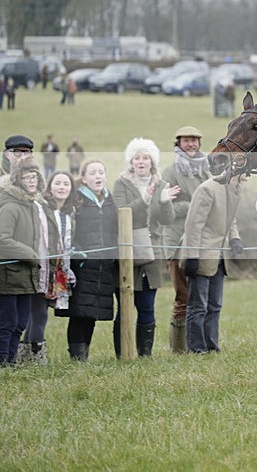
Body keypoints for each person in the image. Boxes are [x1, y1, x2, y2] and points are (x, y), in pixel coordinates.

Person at [112, 138, 179, 357]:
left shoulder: (160, 183)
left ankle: (144, 355)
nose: (141, 162)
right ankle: (123, 353)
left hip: (153, 253)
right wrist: (145, 197)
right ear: (131, 161)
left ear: (152, 161)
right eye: (137, 157)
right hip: (129, 251)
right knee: (125, 306)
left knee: (147, 306)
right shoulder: (121, 184)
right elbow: (122, 213)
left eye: (145, 157)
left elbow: (167, 220)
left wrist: (165, 201)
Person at [55, 159, 118, 361]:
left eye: (101, 172)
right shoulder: (77, 201)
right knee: (79, 312)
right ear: (84, 178)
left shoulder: (110, 201)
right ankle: (77, 358)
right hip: (82, 265)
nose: (98, 176)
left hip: (104, 266)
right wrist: (78, 254)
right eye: (93, 173)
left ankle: (84, 354)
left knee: (91, 313)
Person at [0, 157, 57, 366]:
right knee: (7, 323)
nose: (31, 181)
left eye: (34, 176)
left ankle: (11, 362)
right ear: (17, 179)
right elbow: (2, 240)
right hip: (8, 277)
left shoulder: (32, 205)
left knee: (21, 323)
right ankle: (2, 363)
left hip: (27, 276)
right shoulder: (10, 206)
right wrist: (31, 254)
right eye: (26, 177)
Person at [18, 171, 77, 364]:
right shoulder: (41, 209)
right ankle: (33, 357)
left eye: (66, 184)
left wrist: (67, 270)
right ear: (49, 187)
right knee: (38, 313)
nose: (62, 187)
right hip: (40, 267)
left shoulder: (68, 216)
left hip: (56, 270)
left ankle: (27, 356)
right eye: (57, 183)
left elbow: (65, 246)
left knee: (40, 312)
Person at [182, 174, 245, 354]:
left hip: (219, 254)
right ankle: (196, 349)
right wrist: (192, 256)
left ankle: (211, 346)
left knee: (215, 305)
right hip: (202, 253)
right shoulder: (207, 189)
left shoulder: (235, 188)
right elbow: (193, 225)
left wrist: (235, 238)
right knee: (198, 306)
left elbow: (230, 218)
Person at [161, 126, 210, 353]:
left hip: (201, 242)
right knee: (183, 296)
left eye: (194, 141)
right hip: (176, 242)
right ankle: (178, 350)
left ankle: (200, 345)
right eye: (186, 141)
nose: (190, 144)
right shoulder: (170, 173)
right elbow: (164, 210)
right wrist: (193, 206)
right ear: (178, 143)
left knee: (202, 298)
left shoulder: (206, 170)